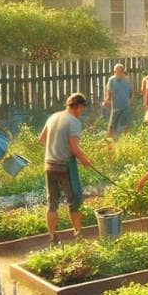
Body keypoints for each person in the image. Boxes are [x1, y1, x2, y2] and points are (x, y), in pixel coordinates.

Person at [39, 93, 97, 244]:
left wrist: (54, 149)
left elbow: (41, 139)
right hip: (65, 167)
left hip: (49, 164)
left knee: (52, 203)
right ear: (78, 107)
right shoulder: (74, 122)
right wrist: (86, 161)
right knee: (75, 200)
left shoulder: (53, 117)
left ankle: (52, 237)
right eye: (82, 108)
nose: (82, 111)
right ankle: (78, 236)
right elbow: (74, 148)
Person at [103, 63, 133, 139]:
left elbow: (131, 93)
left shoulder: (127, 80)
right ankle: (109, 141)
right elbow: (109, 92)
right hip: (116, 107)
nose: (118, 73)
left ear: (123, 72)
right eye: (117, 72)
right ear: (114, 72)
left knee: (127, 125)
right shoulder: (111, 80)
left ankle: (127, 140)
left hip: (125, 106)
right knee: (112, 125)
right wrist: (107, 100)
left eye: (120, 72)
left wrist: (130, 101)